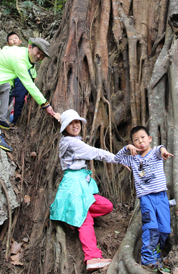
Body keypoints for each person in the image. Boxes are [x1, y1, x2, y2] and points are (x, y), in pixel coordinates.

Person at [49, 110, 120, 272]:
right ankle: (92, 257)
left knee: (106, 205)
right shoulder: (72, 143)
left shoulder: (70, 141)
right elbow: (96, 153)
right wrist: (119, 159)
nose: (75, 126)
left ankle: (72, 218)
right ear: (65, 127)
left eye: (77, 122)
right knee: (85, 220)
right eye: (70, 123)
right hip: (74, 185)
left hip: (81, 183)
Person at [0, 37, 56, 152]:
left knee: (6, 86)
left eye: (42, 56)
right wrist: (45, 104)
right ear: (30, 47)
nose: (39, 57)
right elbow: (29, 85)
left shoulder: (26, 57)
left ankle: (0, 119)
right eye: (38, 52)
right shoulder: (20, 60)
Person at [115, 126, 173, 270]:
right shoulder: (132, 159)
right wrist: (127, 148)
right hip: (146, 198)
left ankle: (157, 253)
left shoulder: (155, 152)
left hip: (161, 196)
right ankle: (147, 259)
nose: (140, 141)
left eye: (142, 137)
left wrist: (164, 152)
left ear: (149, 139)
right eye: (135, 140)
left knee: (165, 229)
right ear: (133, 143)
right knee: (151, 227)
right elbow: (117, 159)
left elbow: (161, 149)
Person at [3, 32, 29, 125]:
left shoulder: (25, 52)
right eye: (11, 39)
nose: (14, 40)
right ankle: (6, 120)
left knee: (20, 101)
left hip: (22, 81)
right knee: (7, 101)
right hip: (10, 83)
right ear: (7, 43)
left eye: (15, 38)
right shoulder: (5, 52)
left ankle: (14, 120)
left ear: (20, 41)